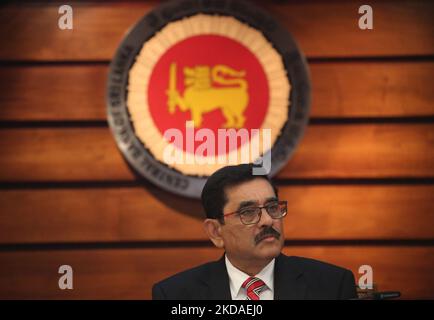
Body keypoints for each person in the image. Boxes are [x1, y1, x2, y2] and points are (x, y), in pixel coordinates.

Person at [152, 164, 357, 299]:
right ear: (215, 231)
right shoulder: (175, 295)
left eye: (272, 207)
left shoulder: (332, 286)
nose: (267, 220)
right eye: (248, 212)